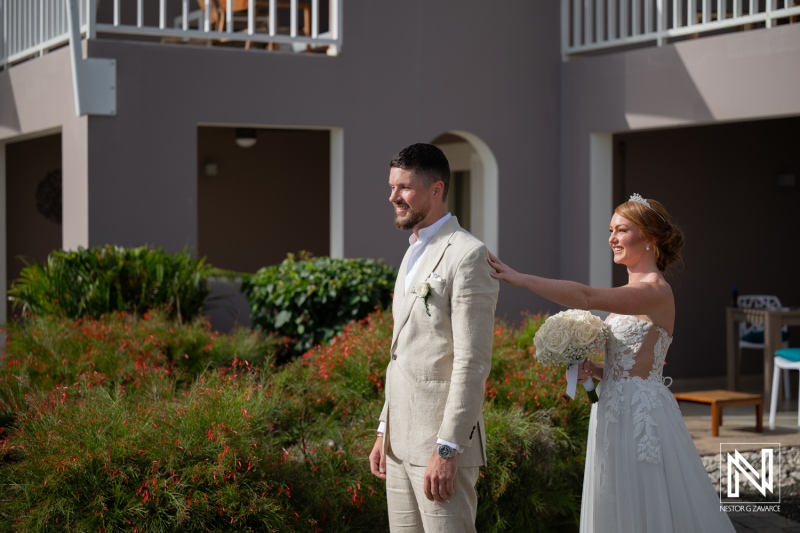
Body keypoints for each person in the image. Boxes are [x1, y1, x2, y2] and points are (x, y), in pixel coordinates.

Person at [487, 194, 735, 532]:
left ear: (649, 238)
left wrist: (521, 278)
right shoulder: (629, 294)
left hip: (639, 413)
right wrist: (596, 370)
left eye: (621, 230)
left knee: (643, 498)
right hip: (611, 407)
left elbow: (587, 297)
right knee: (613, 498)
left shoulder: (655, 290)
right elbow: (629, 364)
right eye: (610, 230)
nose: (612, 239)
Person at [368, 143, 499, 532]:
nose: (393, 197)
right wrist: (382, 430)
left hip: (439, 446)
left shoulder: (468, 255)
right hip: (397, 442)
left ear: (437, 189)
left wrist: (448, 447)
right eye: (392, 187)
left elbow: (472, 361)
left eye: (404, 188)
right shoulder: (412, 252)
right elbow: (402, 354)